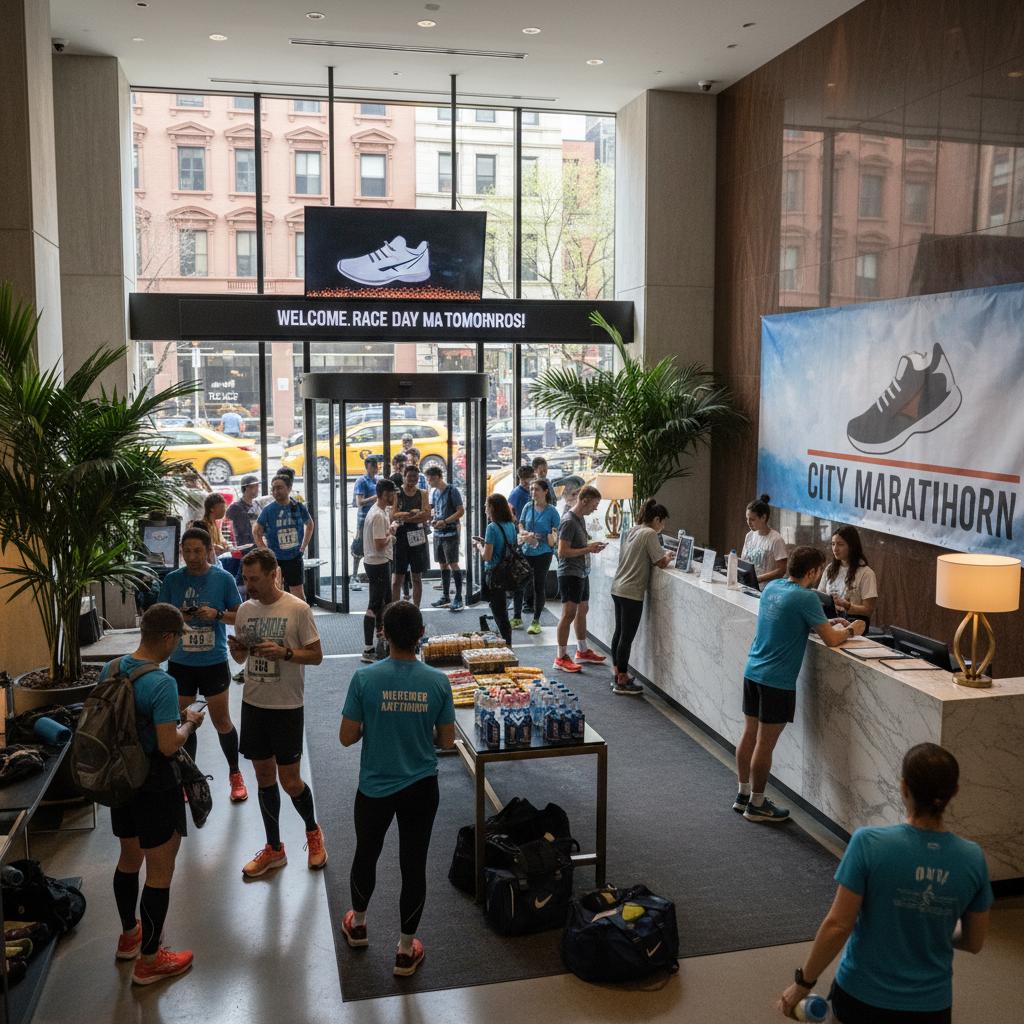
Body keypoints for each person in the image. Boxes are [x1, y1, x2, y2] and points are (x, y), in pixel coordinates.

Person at [777, 743, 992, 1023]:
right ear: (955, 792)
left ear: (904, 788)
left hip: (861, 998)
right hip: (931, 1007)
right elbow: (974, 941)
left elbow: (838, 925)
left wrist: (803, 984)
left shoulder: (869, 843)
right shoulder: (972, 858)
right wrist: (932, 921)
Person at [339, 601, 456, 978]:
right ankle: (405, 951)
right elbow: (447, 741)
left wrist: (375, 724)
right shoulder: (438, 682)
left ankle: (358, 925)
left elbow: (346, 737)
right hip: (421, 787)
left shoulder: (364, 679)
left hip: (374, 787)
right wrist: (418, 732)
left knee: (366, 853)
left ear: (383, 634)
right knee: (413, 863)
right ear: (422, 634)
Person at [107, 603, 205, 985]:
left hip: (121, 782)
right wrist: (189, 723)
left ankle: (129, 936)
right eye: (177, 637)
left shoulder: (111, 669)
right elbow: (167, 745)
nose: (177, 644)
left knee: (128, 859)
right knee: (160, 872)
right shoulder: (162, 684)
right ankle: (150, 961)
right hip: (155, 785)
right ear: (167, 637)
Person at [736, 546, 866, 823]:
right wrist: (852, 629)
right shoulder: (806, 597)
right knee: (764, 744)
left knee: (749, 735)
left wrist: (824, 622)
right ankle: (757, 805)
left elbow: (789, 619)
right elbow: (831, 639)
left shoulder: (773, 587)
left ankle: (743, 794)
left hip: (753, 671)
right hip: (777, 681)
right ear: (812, 572)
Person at [228, 549, 327, 878]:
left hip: (287, 706)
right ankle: (274, 849)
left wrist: (284, 653)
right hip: (254, 703)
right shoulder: (245, 610)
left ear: (274, 575)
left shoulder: (297, 609)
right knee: (264, 778)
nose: (249, 585)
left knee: (291, 781)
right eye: (246, 579)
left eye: (255, 579)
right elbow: (241, 660)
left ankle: (313, 833)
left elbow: (316, 656)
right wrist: (237, 650)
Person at [157, 527, 246, 802]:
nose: (192, 556)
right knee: (186, 720)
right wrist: (179, 615)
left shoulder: (223, 578)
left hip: (213, 661)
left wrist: (216, 615)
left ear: (209, 550)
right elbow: (159, 617)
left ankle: (235, 774)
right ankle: (190, 778)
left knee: (222, 721)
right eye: (187, 551)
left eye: (197, 551)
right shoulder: (172, 580)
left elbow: (239, 616)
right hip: (181, 662)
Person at [609, 499, 671, 696]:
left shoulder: (633, 530)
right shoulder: (650, 533)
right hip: (632, 591)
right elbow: (660, 562)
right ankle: (622, 681)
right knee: (626, 637)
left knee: (619, 633)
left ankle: (617, 673)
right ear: (657, 519)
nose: (663, 526)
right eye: (663, 522)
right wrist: (669, 556)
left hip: (618, 587)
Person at [554, 484, 607, 673]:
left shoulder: (580, 519)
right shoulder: (569, 521)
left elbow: (577, 545)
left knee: (583, 609)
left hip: (581, 571)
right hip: (570, 573)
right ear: (584, 501)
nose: (595, 508)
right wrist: (588, 549)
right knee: (568, 613)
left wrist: (590, 546)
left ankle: (582, 650)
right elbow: (562, 552)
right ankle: (560, 657)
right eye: (594, 504)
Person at [253, 474, 314, 600]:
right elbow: (256, 532)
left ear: (289, 488)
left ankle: (301, 613)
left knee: (298, 595)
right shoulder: (268, 510)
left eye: (279, 488)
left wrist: (303, 547)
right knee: (276, 593)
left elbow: (310, 525)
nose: (276, 491)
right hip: (275, 559)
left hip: (294, 557)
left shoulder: (298, 506)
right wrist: (266, 552)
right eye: (273, 488)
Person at [512, 478, 560, 634]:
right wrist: (523, 532)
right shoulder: (528, 506)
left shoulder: (552, 511)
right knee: (519, 584)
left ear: (545, 491)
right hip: (526, 550)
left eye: (537, 489)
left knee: (539, 585)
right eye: (531, 489)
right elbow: (520, 523)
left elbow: (555, 534)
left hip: (543, 552)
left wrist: (542, 536)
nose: (533, 492)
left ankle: (536, 621)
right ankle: (517, 617)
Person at [361, 478, 398, 663]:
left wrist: (389, 530)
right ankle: (368, 649)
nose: (394, 497)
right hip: (378, 563)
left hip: (376, 562)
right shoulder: (378, 515)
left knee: (383, 603)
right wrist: (391, 535)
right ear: (385, 494)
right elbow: (379, 544)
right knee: (374, 605)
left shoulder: (378, 511)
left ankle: (380, 640)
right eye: (392, 493)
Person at [475, 493, 518, 646]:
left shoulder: (492, 527)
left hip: (495, 574)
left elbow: (487, 556)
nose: (485, 509)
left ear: (492, 508)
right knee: (502, 609)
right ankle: (507, 642)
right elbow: (507, 546)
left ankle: (507, 645)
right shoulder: (511, 525)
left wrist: (479, 546)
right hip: (508, 572)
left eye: (486, 506)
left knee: (500, 613)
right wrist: (485, 543)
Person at [819, 525, 878, 629]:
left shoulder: (866, 573)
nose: (835, 549)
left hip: (853, 623)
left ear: (852, 546)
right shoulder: (830, 568)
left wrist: (847, 605)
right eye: (833, 544)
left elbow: (868, 610)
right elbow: (819, 596)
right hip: (830, 619)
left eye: (840, 544)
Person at [425, 464, 465, 612]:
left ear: (438, 477)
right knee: (442, 564)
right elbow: (436, 511)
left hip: (450, 533)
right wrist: (434, 520)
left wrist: (445, 521)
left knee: (453, 563)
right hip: (438, 533)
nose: (429, 481)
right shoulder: (435, 492)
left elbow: (461, 511)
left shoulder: (452, 491)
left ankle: (459, 597)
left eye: (431, 479)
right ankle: (446, 596)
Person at [391, 464, 430, 607]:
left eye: (415, 476)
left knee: (417, 577)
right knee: (397, 579)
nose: (412, 479)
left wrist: (405, 517)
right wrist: (414, 515)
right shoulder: (397, 494)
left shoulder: (423, 493)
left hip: (418, 537)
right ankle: (394, 610)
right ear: (404, 477)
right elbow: (393, 515)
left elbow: (426, 516)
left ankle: (416, 609)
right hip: (400, 537)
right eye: (410, 476)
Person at [741, 493, 788, 584]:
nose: (748, 522)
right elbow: (744, 562)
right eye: (747, 519)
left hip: (766, 588)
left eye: (752, 519)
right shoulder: (749, 536)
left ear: (763, 517)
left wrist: (758, 579)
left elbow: (782, 570)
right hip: (749, 585)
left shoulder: (776, 539)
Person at [350, 457, 380, 592]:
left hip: (376, 517)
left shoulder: (377, 480)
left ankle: (371, 574)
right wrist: (377, 497)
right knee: (359, 546)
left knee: (374, 545)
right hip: (364, 519)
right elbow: (359, 502)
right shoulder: (362, 481)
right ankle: (354, 576)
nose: (376, 467)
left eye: (376, 465)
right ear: (367, 467)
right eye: (373, 465)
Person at [225, 475, 260, 550]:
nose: (257, 489)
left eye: (258, 486)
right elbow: (226, 527)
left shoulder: (257, 505)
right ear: (246, 488)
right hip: (242, 547)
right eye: (255, 486)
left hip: (256, 544)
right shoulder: (235, 508)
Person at [192, 492, 229, 564]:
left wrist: (224, 545)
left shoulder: (215, 525)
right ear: (212, 509)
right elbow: (199, 546)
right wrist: (215, 547)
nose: (224, 510)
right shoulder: (200, 525)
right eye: (222, 507)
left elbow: (222, 543)